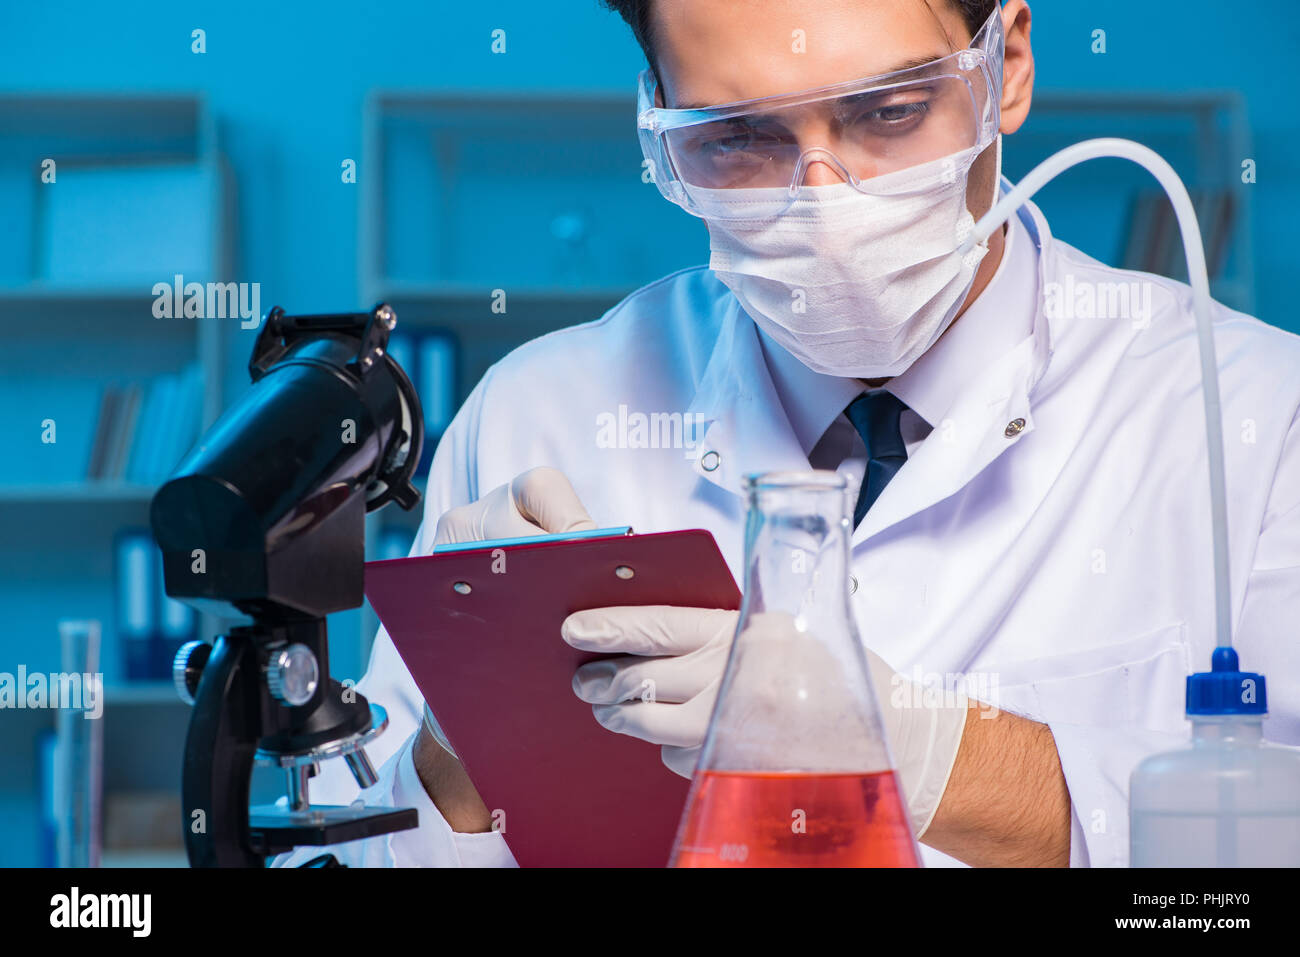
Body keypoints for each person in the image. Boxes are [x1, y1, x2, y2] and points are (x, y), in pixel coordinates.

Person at [274, 0, 1300, 868]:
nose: (824, 200)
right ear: (662, 127)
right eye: (737, 139)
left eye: (890, 112)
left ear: (1007, 70)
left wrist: (917, 749)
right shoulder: (543, 408)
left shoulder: (1253, 413)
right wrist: (475, 744)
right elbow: (362, 846)